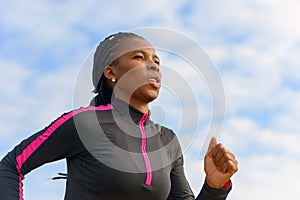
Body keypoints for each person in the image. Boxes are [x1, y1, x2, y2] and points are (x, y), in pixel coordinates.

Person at [0, 32, 238, 200]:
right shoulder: (85, 123)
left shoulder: (167, 141)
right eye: (139, 57)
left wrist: (215, 186)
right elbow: (11, 166)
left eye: (157, 60)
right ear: (111, 72)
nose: (153, 65)